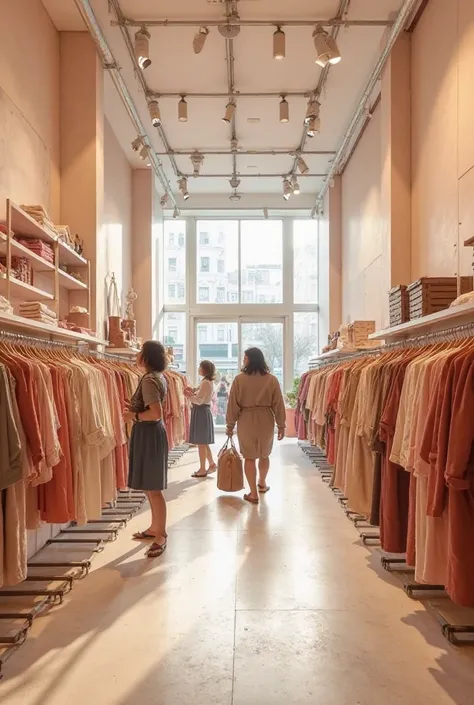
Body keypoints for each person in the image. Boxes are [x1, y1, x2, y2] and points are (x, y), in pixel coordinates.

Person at [124, 340, 169, 558]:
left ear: (147, 357)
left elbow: (156, 412)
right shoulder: (157, 377)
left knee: (154, 488)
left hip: (149, 434)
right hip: (150, 434)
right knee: (150, 487)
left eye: (140, 352)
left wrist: (132, 415)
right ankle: (154, 528)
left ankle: (160, 535)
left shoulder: (150, 380)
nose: (136, 355)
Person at [226, 347, 286, 504]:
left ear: (250, 360)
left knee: (249, 456)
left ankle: (253, 493)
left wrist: (230, 425)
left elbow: (233, 404)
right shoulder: (271, 379)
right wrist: (281, 425)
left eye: (245, 358)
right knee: (264, 453)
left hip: (246, 418)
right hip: (266, 418)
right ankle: (262, 483)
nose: (243, 360)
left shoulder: (239, 379)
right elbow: (278, 404)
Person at [185, 360, 217, 478]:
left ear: (205, 369)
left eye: (200, 367)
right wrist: (192, 391)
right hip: (202, 412)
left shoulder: (206, 383)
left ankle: (203, 469)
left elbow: (198, 401)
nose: (199, 369)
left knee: (201, 443)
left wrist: (188, 395)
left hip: (201, 412)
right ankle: (211, 464)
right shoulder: (205, 382)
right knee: (203, 442)